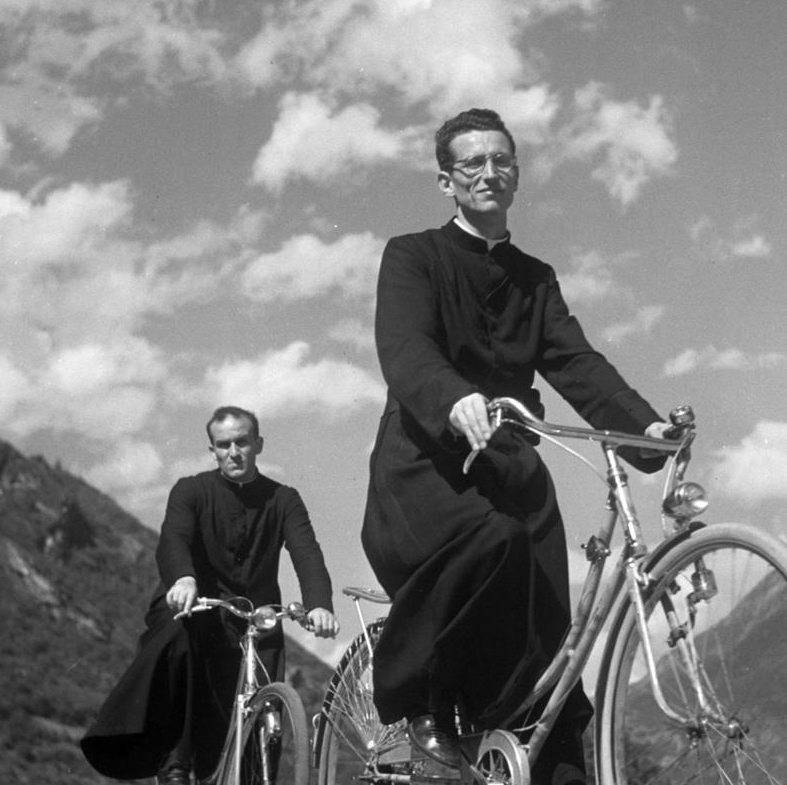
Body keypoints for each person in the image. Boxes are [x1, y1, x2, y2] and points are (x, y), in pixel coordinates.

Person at [361, 108, 671, 785]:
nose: (489, 172)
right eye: (471, 163)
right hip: (426, 468)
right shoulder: (413, 255)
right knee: (491, 540)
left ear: (518, 174)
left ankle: (550, 761)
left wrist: (644, 429)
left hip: (511, 465)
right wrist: (454, 398)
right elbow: (405, 348)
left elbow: (576, 364)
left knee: (547, 639)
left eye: (501, 160)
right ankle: (416, 717)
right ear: (446, 181)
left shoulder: (535, 276)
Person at [81, 406, 339, 785]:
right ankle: (174, 764)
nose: (234, 452)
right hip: (197, 604)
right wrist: (183, 579)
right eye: (224, 444)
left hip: (254, 615)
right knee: (179, 639)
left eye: (242, 442)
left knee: (266, 699)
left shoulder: (283, 499)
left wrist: (319, 604)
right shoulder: (191, 490)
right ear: (212, 450)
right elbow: (174, 539)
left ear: (258, 444)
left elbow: (306, 551)